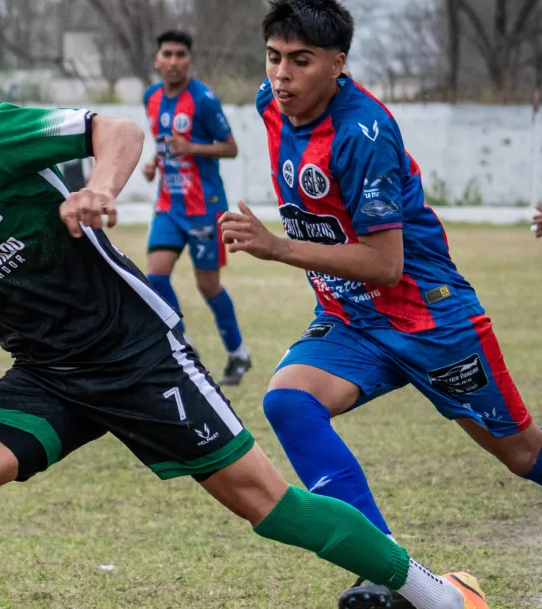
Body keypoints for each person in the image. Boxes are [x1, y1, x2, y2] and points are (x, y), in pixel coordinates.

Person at [0, 59, 487, 609]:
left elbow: (114, 130)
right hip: (46, 374)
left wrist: (101, 186)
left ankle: (435, 593)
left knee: (266, 506)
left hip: (136, 351)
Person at [220, 1, 538, 607]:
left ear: (338, 64)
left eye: (301, 61)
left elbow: (386, 263)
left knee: (524, 456)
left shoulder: (363, 133)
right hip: (351, 319)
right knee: (289, 401)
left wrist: (278, 247)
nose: (282, 75)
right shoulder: (272, 101)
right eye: (274, 57)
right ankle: (390, 572)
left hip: (428, 320)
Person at [142, 30, 250, 386]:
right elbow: (163, 143)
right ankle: (183, 344)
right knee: (155, 277)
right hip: (168, 205)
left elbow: (230, 147)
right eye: (167, 54)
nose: (173, 61)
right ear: (158, 59)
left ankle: (238, 354)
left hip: (204, 206)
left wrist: (192, 148)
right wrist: (153, 164)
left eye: (180, 55)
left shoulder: (203, 99)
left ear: (189, 60)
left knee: (208, 286)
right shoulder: (151, 97)